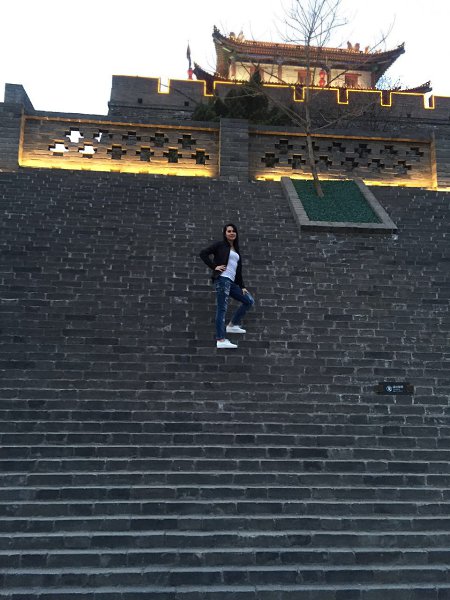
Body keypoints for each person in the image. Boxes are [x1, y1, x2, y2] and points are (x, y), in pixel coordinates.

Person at [199, 223, 254, 349]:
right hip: (222, 280)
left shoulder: (236, 250)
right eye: (229, 231)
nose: (232, 233)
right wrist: (214, 267)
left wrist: (242, 286)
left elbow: (238, 271)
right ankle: (221, 339)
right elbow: (203, 253)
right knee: (222, 309)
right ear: (225, 233)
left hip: (232, 282)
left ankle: (233, 325)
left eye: (234, 231)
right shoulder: (220, 245)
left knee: (249, 301)